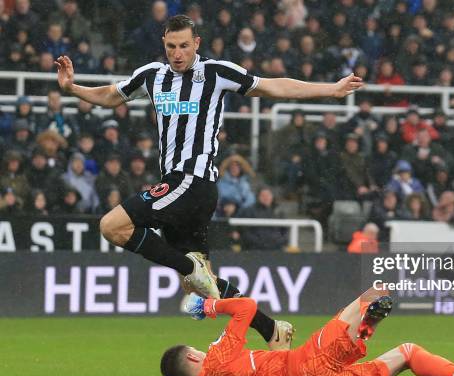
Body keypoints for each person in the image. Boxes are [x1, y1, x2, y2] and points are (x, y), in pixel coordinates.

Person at [54, 14, 363, 301]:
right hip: (176, 184)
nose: (177, 53)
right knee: (201, 288)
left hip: (194, 181)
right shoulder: (152, 76)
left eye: (184, 46)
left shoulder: (215, 73)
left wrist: (330, 90)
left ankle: (191, 267)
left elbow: (273, 86)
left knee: (112, 226)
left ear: (196, 43)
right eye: (172, 46)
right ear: (164, 42)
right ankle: (270, 329)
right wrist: (71, 88)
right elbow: (110, 95)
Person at [161, 291, 454, 376]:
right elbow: (246, 307)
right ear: (194, 356)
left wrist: (277, 345)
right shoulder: (219, 357)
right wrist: (206, 307)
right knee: (373, 295)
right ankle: (365, 326)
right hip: (304, 367)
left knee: (404, 352)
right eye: (200, 350)